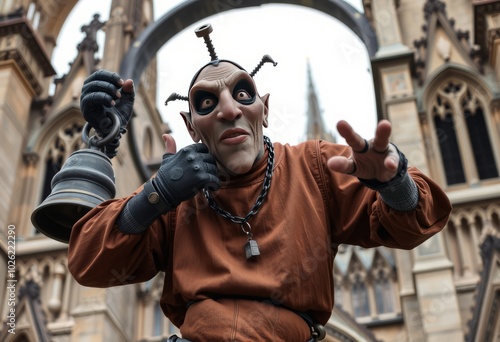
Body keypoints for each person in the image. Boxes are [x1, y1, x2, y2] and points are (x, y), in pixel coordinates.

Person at [68, 24, 452, 342]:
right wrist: (155, 195)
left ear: (264, 109)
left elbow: (417, 221)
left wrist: (393, 182)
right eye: (207, 102)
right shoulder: (175, 196)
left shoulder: (315, 166)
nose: (230, 109)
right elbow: (88, 262)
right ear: (190, 127)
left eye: (242, 93)